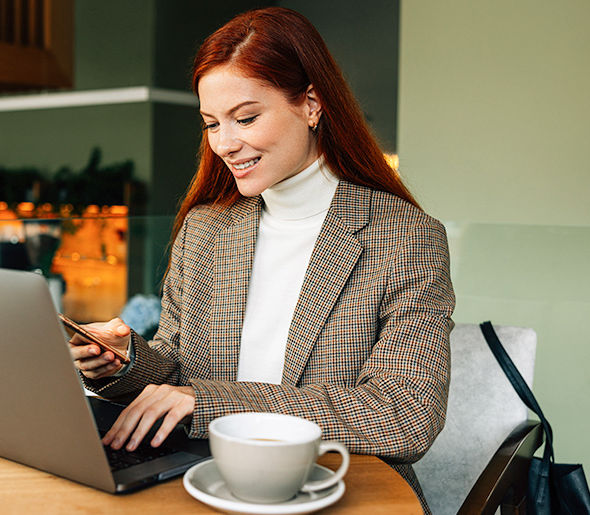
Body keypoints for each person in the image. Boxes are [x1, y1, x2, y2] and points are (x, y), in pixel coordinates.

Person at [69, 6, 454, 511]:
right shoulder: (206, 229)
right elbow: (177, 374)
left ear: (311, 105)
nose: (225, 144)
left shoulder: (405, 238)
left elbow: (407, 414)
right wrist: (121, 363)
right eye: (212, 123)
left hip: (341, 491)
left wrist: (210, 403)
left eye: (246, 118)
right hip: (208, 483)